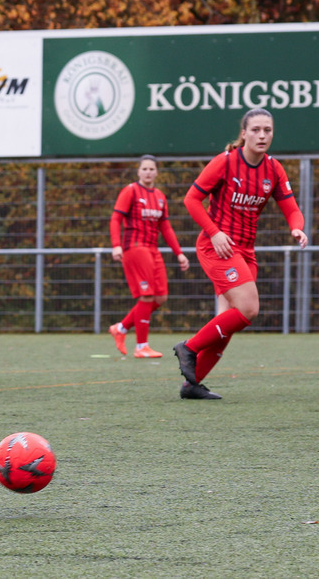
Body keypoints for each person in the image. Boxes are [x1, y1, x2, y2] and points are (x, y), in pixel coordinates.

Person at [173, 108, 308, 400]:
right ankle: (189, 347)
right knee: (249, 308)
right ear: (244, 133)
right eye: (256, 129)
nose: (262, 135)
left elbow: (292, 208)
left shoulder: (273, 169)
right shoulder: (225, 162)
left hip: (245, 251)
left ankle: (192, 384)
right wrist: (214, 231)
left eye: (267, 130)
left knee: (228, 321)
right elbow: (191, 199)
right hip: (217, 247)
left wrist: (297, 228)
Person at [108, 155, 190, 359]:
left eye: (152, 169)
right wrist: (116, 245)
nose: (148, 172)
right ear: (138, 172)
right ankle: (141, 346)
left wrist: (179, 253)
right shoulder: (130, 191)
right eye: (144, 169)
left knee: (160, 297)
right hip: (135, 248)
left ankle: (121, 328)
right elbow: (116, 218)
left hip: (153, 249)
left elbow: (166, 227)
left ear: (156, 172)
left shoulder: (160, 196)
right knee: (146, 295)